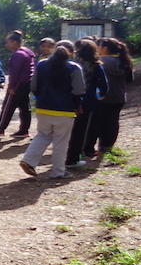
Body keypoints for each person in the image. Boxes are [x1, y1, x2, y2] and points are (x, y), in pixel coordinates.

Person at [19, 42, 85, 179]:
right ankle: (58, 172)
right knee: (61, 141)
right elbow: (79, 91)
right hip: (65, 110)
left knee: (42, 135)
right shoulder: (74, 68)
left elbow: (34, 86)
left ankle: (28, 160)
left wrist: (40, 99)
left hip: (43, 108)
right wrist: (77, 105)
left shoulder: (42, 64)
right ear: (71, 53)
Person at [65, 38, 109, 167]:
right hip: (86, 103)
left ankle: (59, 158)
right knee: (79, 131)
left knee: (65, 131)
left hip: (69, 100)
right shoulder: (96, 65)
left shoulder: (71, 64)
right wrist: (101, 96)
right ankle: (72, 159)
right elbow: (104, 85)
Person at [86, 38, 133, 154]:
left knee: (96, 123)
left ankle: (90, 148)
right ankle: (107, 146)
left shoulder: (100, 61)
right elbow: (130, 79)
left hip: (101, 97)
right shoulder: (124, 61)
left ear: (105, 48)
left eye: (99, 46)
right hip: (118, 97)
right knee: (112, 122)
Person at [0, 30, 34, 137]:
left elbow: (15, 73)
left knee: (8, 106)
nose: (6, 45)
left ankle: (0, 129)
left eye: (8, 42)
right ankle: (24, 130)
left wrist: (12, 87)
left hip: (18, 85)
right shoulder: (27, 52)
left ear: (14, 42)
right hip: (27, 84)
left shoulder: (18, 55)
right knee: (25, 107)